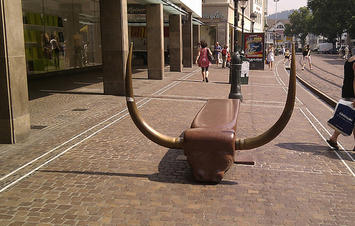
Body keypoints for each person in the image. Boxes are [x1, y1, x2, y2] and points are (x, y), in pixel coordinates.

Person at [327, 49, 355, 150]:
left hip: (346, 91)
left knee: (350, 116)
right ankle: (333, 138)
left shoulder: (349, 60)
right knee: (349, 116)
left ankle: (333, 138)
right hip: (352, 93)